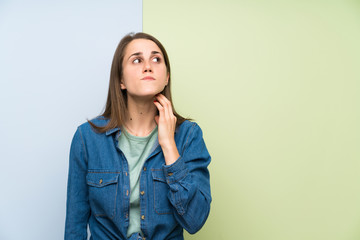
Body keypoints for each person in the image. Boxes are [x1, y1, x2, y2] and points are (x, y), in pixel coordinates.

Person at [64, 32, 211, 240]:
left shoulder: (189, 136)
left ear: (166, 77)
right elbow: (74, 226)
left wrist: (169, 145)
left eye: (156, 59)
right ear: (121, 80)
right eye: (137, 60)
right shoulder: (86, 138)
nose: (148, 66)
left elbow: (195, 221)